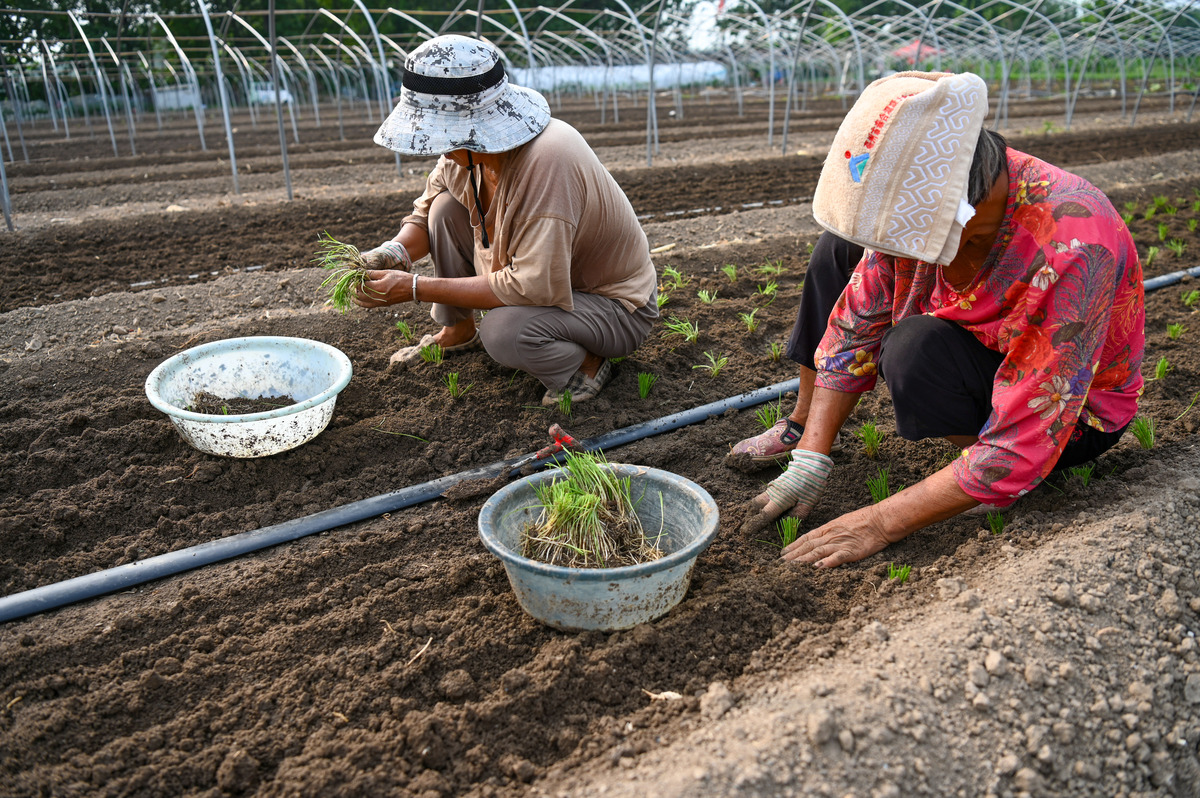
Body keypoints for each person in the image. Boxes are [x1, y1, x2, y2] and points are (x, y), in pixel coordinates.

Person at [733, 71, 1145, 568]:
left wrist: (879, 521)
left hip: (1071, 417)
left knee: (913, 350)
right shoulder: (928, 214)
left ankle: (1006, 481)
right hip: (979, 345)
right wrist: (809, 463)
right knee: (837, 250)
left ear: (963, 216)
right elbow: (854, 328)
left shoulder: (1073, 247)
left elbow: (1028, 431)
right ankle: (803, 431)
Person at [352, 34, 658, 405]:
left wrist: (414, 287)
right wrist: (391, 253)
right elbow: (422, 216)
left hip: (609, 306)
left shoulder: (548, 161)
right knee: (445, 210)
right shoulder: (462, 156)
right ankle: (458, 329)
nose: (437, 146)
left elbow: (533, 286)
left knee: (503, 331)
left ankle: (587, 364)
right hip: (545, 283)